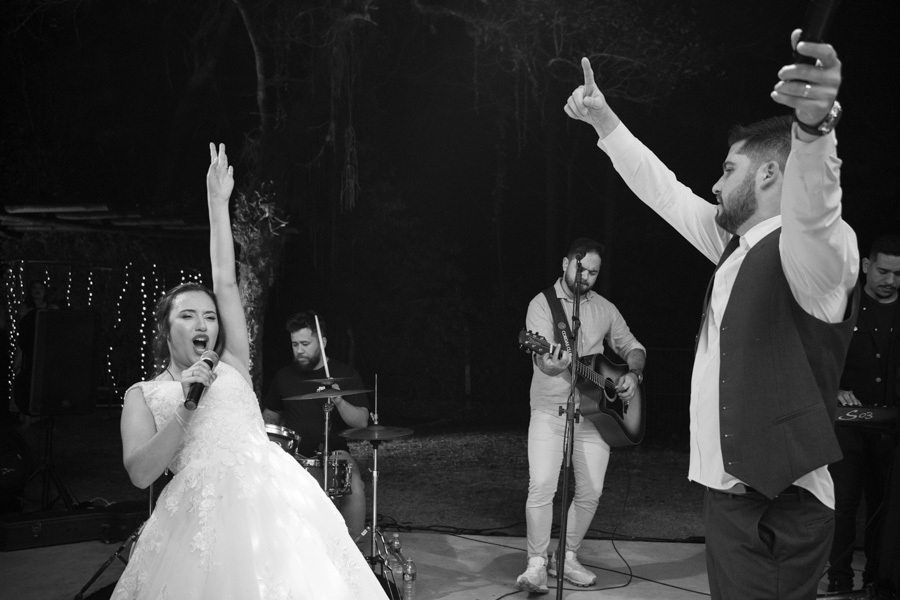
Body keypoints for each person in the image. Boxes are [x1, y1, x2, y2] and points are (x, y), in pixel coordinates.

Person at [564, 30, 859, 599]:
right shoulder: (735, 245)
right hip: (731, 497)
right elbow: (666, 194)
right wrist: (605, 124)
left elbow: (819, 220)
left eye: (728, 170)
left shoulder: (815, 250)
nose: (715, 183)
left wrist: (816, 135)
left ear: (770, 175)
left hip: (780, 507)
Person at [111, 143, 387, 600]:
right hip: (197, 516)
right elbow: (141, 474)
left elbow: (225, 279)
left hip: (274, 497)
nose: (204, 323)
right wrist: (184, 407)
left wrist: (218, 205)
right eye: (188, 316)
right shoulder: (143, 394)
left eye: (210, 316)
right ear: (164, 326)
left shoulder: (233, 361)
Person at [516, 237, 646, 593]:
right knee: (542, 486)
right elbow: (541, 358)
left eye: (593, 272)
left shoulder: (605, 308)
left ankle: (567, 556)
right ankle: (537, 563)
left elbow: (633, 346)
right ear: (565, 264)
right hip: (550, 411)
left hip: (593, 416)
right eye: (581, 267)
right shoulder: (541, 305)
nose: (586, 276)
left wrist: (632, 374)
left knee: (591, 490)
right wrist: (548, 361)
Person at [828, 235, 900, 593]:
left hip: (891, 429)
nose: (891, 280)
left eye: (898, 274)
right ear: (867, 265)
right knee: (843, 504)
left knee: (884, 509)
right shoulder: (845, 304)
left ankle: (877, 579)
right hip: (847, 426)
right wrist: (835, 385)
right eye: (884, 271)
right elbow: (820, 352)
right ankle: (840, 579)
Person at [262, 312, 370, 539]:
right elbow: (270, 415)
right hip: (295, 456)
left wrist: (339, 399)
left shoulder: (344, 374)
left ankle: (352, 552)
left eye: (305, 344)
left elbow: (361, 421)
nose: (299, 350)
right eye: (294, 344)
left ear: (322, 343)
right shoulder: (284, 377)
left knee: (355, 485)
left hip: (336, 453)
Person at [13, 280, 60, 416]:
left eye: (41, 288)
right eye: (34, 288)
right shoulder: (25, 308)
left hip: (45, 349)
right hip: (28, 348)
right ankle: (26, 416)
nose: (37, 290)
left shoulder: (51, 308)